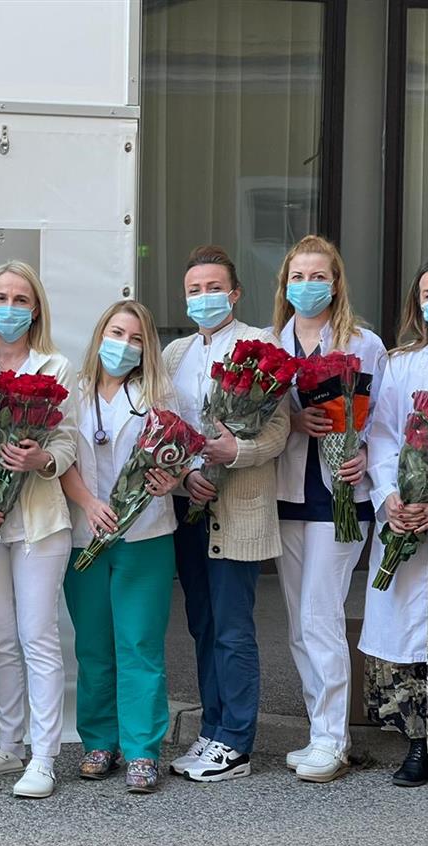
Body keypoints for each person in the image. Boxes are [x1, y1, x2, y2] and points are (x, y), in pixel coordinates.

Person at [165, 245, 290, 782]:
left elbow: (279, 430)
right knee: (202, 622)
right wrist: (184, 475)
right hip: (188, 505)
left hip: (239, 509)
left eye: (214, 288)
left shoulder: (260, 344)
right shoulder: (174, 354)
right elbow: (165, 427)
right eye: (194, 289)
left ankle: (235, 741)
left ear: (234, 293)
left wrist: (235, 452)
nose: (204, 297)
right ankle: (212, 729)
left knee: (233, 627)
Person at [271, 235, 387, 784]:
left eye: (318, 276)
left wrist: (363, 454)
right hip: (288, 495)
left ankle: (332, 740)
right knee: (300, 622)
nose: (308, 285)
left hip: (341, 495)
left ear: (336, 283)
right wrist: (292, 422)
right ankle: (321, 729)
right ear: (285, 285)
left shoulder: (365, 343)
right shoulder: (270, 343)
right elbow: (259, 417)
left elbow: (386, 419)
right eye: (298, 276)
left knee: (321, 616)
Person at [0, 261, 76, 799]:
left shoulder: (56, 366)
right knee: (0, 637)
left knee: (37, 636)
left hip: (39, 522)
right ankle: (9, 743)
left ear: (36, 309)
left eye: (20, 300)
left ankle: (44, 756)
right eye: (1, 298)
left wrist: (41, 460)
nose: (9, 309)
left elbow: (69, 441)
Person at [61, 300, 180, 793]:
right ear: (99, 336)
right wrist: (89, 504)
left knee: (139, 645)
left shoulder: (159, 395)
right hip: (85, 534)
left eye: (135, 339)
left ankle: (142, 750)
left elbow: (176, 459)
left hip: (144, 535)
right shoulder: (73, 392)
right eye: (116, 333)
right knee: (93, 646)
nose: (124, 346)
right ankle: (99, 741)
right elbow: (61, 458)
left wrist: (170, 479)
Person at [361, 254, 428, 790]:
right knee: (416, 635)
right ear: (418, 306)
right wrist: (391, 496)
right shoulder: (402, 364)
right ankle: (421, 746)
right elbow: (381, 435)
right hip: (409, 518)